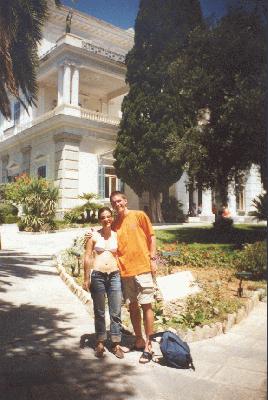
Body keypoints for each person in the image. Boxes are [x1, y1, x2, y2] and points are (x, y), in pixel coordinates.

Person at [85, 191, 157, 364]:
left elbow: (151, 237)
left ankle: (149, 345)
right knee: (132, 306)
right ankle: (138, 339)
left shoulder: (139, 215)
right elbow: (104, 230)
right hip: (125, 272)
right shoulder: (115, 223)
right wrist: (91, 232)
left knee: (147, 305)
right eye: (114, 202)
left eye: (120, 201)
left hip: (143, 268)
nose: (117, 204)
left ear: (125, 201)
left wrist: (153, 258)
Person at [83, 207, 124, 359]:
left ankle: (116, 343)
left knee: (115, 311)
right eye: (103, 217)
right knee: (99, 311)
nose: (106, 219)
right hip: (98, 276)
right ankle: (100, 341)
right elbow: (87, 257)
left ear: (112, 217)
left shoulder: (117, 235)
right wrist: (86, 278)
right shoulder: (93, 236)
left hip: (114, 275)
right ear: (99, 219)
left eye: (108, 216)